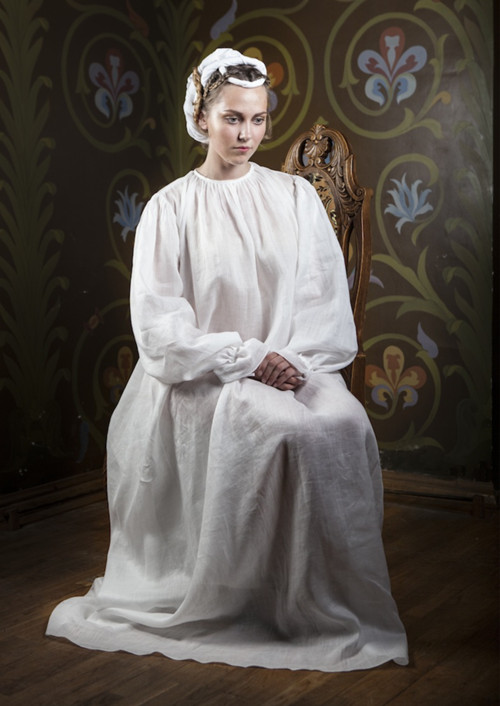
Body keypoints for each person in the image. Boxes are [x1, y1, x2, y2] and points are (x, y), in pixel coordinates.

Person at [47, 48, 408, 672]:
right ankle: (250, 595)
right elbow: (161, 328)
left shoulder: (295, 197)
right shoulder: (169, 208)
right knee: (285, 430)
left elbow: (321, 299)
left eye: (258, 119)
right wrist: (246, 358)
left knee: (343, 422)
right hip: (200, 375)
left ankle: (313, 597)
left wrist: (289, 361)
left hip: (293, 364)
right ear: (201, 118)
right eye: (232, 119)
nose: (247, 134)